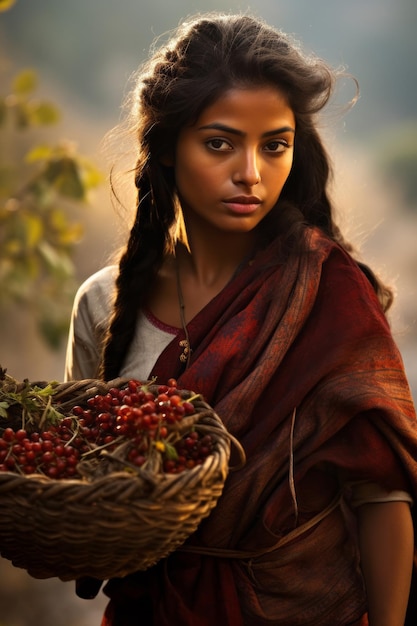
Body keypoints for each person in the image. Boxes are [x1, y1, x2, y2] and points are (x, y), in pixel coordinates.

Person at [65, 12, 417, 626]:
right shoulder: (102, 304)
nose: (251, 173)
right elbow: (82, 484)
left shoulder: (327, 296)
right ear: (169, 147)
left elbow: (382, 497)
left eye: (274, 146)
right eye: (220, 143)